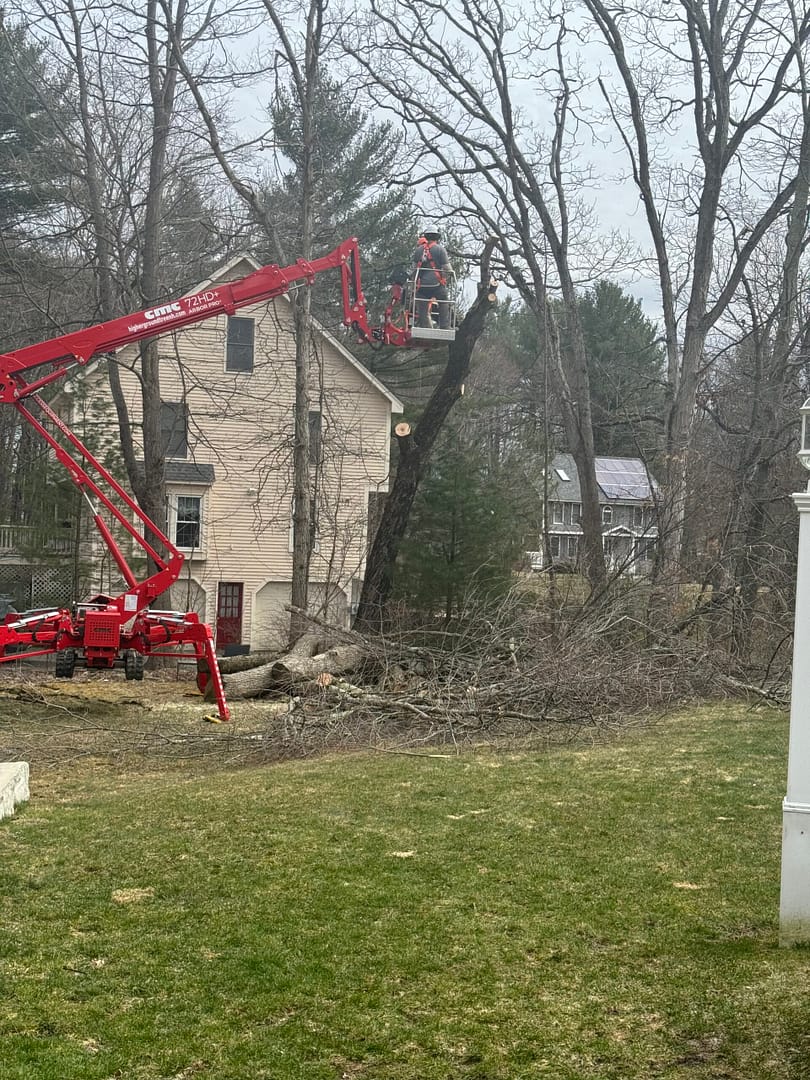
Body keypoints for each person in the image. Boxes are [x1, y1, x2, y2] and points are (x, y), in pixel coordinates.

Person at [412, 227, 452, 329]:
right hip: (437, 285)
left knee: (423, 310)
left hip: (422, 286)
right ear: (437, 237)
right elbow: (447, 268)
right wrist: (445, 277)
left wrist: (415, 284)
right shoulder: (440, 249)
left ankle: (425, 327)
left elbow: (414, 269)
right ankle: (444, 326)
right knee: (443, 302)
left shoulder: (418, 250)